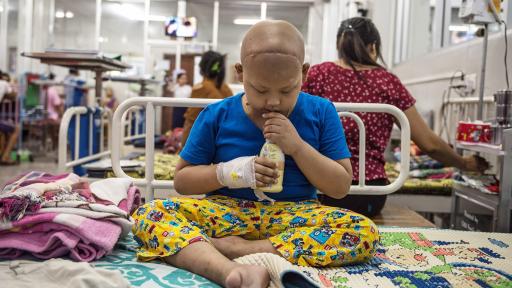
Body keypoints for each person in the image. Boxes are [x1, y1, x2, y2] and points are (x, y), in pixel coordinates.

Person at [132, 20, 379, 288]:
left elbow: (340, 186)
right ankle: (227, 271)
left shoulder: (321, 111)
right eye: (260, 89)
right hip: (225, 212)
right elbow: (182, 181)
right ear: (240, 73)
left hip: (293, 216)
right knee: (150, 213)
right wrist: (230, 172)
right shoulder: (217, 115)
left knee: (364, 231)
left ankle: (236, 250)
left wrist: (297, 146)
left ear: (304, 74)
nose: (273, 101)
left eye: (287, 90)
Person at [301, 17, 489, 217]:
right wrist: (464, 163)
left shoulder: (316, 74)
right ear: (373, 47)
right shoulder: (387, 82)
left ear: (339, 44)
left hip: (317, 186)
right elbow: (429, 144)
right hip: (368, 193)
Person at [180, 51, 233, 148]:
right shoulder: (226, 89)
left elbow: (190, 122)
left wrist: (183, 149)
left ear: (202, 67)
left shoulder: (201, 88)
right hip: (226, 142)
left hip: (204, 143)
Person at [0, 71, 20, 165]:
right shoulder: (3, 83)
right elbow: (13, 95)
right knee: (16, 129)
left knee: (2, 132)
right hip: (6, 118)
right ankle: (5, 157)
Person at [45, 73, 64, 149]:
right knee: (61, 129)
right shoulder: (53, 90)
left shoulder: (45, 90)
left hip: (45, 116)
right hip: (52, 116)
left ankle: (53, 145)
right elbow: (57, 104)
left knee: (51, 132)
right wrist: (62, 115)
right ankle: (58, 146)